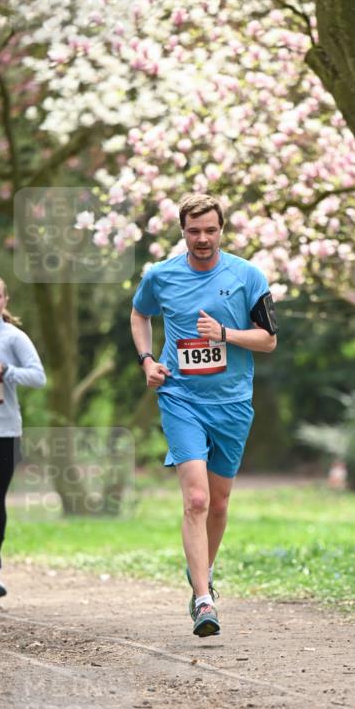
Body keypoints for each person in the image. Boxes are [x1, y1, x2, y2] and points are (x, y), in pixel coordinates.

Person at [130, 193, 278, 638]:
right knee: (195, 500)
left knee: (218, 503)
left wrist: (226, 334)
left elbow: (268, 340)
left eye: (210, 230)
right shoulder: (161, 276)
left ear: (221, 230)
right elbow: (140, 314)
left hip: (232, 403)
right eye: (194, 231)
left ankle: (203, 573)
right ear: (182, 232)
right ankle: (203, 599)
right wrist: (147, 360)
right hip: (180, 397)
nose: (202, 238)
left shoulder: (247, 275)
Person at [0, 275, 47, 600]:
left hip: (6, 431)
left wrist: (5, 370)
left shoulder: (13, 338)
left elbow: (38, 377)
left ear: (5, 301)